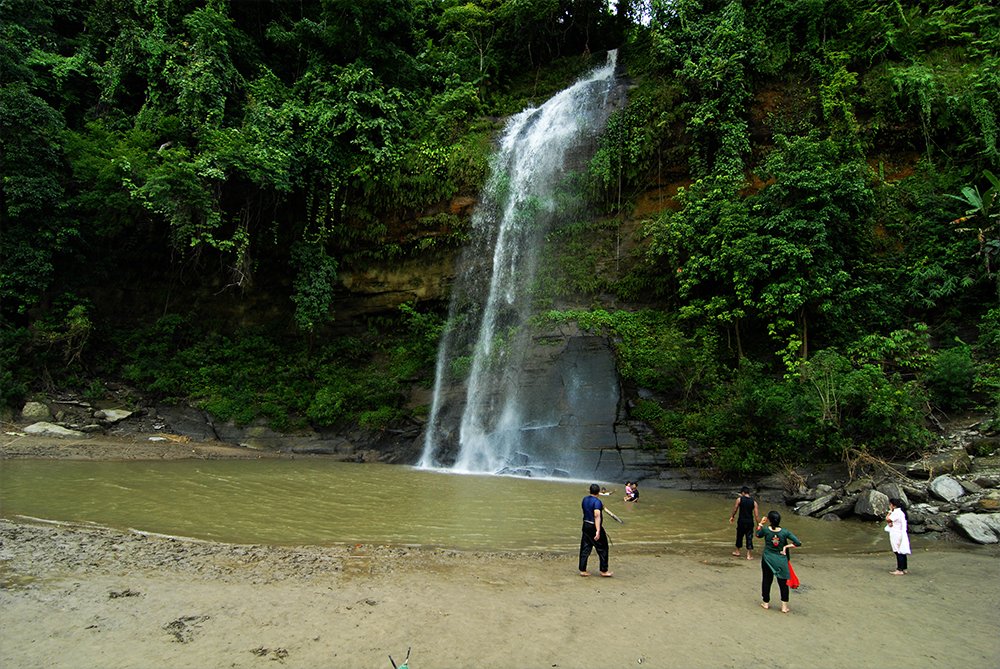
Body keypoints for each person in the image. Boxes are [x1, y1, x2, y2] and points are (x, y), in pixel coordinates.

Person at [756, 510, 802, 613]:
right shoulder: (785, 532)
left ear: (769, 520)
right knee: (783, 583)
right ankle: (784, 607)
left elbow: (758, 535)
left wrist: (760, 524)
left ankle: (766, 602)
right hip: (781, 559)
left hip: (767, 558)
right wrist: (785, 546)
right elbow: (798, 543)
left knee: (767, 580)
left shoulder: (766, 530)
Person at [579, 483, 612, 577]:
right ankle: (604, 570)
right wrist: (598, 530)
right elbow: (596, 515)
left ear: (590, 491)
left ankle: (582, 570)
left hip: (585, 524)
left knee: (585, 548)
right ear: (598, 492)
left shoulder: (584, 499)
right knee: (603, 548)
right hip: (593, 526)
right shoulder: (597, 502)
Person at [729, 486, 759, 559]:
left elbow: (735, 509)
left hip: (741, 521)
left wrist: (732, 516)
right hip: (750, 521)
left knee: (739, 535)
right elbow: (756, 515)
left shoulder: (739, 499)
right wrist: (759, 524)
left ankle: (737, 551)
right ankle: (749, 555)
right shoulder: (754, 502)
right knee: (749, 537)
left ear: (742, 493)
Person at [885, 498, 911, 575]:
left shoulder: (896, 512)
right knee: (901, 551)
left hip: (896, 534)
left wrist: (890, 511)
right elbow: (894, 522)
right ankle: (904, 568)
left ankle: (899, 569)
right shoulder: (901, 512)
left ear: (893, 505)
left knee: (897, 551)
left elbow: (887, 519)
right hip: (900, 532)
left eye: (890, 504)